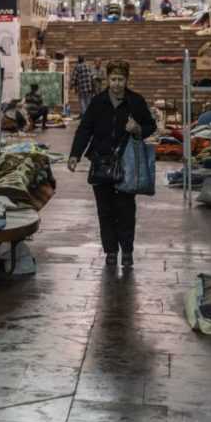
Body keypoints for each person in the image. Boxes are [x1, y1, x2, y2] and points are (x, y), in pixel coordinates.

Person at [67, 60, 156, 267]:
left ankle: (127, 252)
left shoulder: (136, 101)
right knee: (104, 210)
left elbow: (150, 125)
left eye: (120, 79)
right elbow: (85, 129)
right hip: (100, 162)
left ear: (127, 80)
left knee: (126, 210)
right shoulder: (98, 102)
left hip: (127, 164)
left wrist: (138, 129)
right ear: (107, 79)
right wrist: (75, 155)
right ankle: (110, 252)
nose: (116, 84)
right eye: (113, 79)